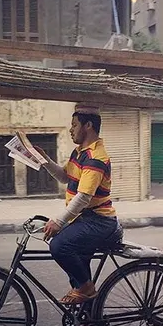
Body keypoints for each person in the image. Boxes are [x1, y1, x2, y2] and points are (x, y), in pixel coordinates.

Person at [37, 105, 121, 306]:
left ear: (88, 126)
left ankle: (86, 289)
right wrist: (44, 160)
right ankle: (86, 317)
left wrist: (59, 221)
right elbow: (65, 177)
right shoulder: (80, 152)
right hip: (85, 218)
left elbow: (84, 197)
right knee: (77, 266)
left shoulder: (96, 158)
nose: (71, 129)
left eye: (74, 125)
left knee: (59, 246)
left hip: (99, 221)